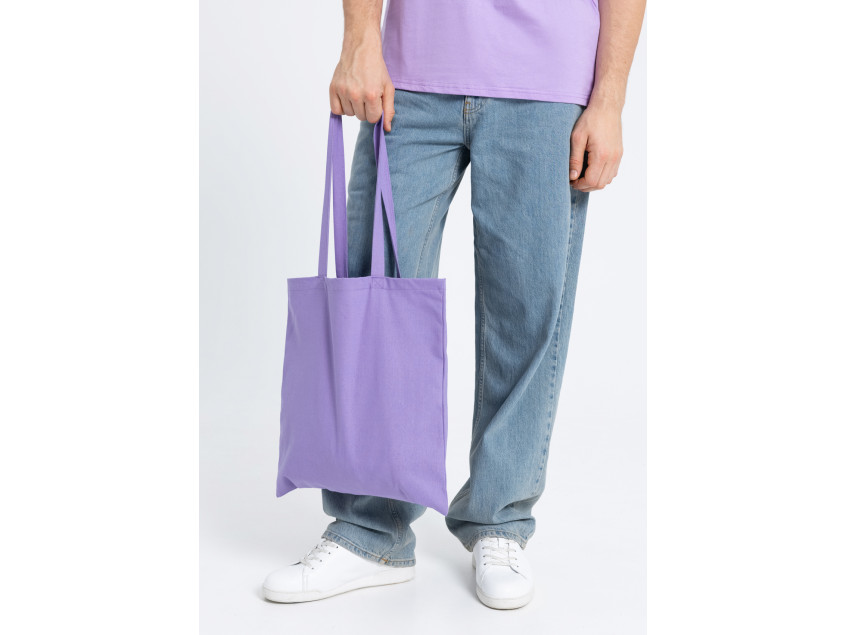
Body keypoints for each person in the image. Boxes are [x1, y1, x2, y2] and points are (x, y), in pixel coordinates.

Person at [264, 0, 645, 610]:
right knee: (375, 292)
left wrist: (610, 98)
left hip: (547, 83)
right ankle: (371, 530)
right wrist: (360, 39)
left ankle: (499, 520)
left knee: (527, 312)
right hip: (411, 76)